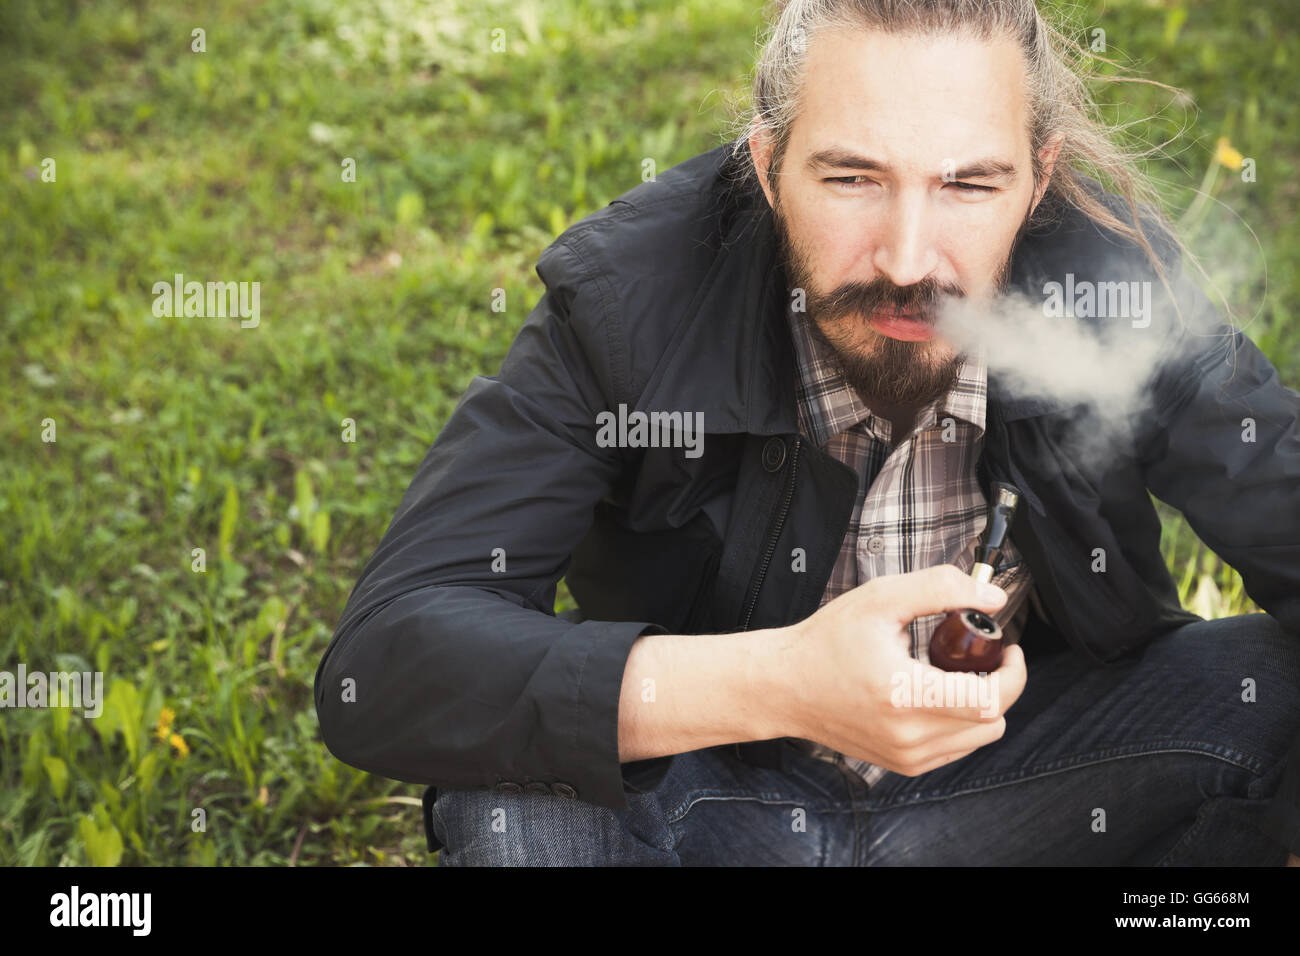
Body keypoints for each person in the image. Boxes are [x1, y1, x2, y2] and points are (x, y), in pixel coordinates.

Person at [314, 0, 1300, 865]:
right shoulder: (626, 304)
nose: (908, 258)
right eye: (850, 178)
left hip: (1031, 789)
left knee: (1273, 685)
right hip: (710, 800)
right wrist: (781, 684)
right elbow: (385, 663)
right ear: (766, 162)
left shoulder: (1118, 290)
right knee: (520, 776)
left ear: (1038, 181)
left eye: (968, 185)